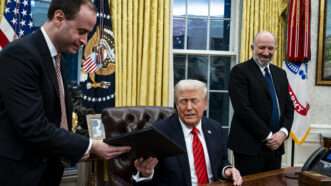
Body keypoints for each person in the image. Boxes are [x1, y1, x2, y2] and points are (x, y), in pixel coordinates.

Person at [0, 1, 130, 186]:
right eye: (82, 31)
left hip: (48, 171)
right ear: (59, 18)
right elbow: (32, 126)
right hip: (19, 174)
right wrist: (90, 145)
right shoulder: (21, 55)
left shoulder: (56, 58)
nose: (85, 41)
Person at [133, 79, 243, 186]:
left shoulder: (215, 128)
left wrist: (227, 170)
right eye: (183, 101)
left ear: (205, 104)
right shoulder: (159, 132)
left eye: (194, 101)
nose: (189, 108)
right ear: (176, 104)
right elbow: (152, 177)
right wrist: (146, 173)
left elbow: (222, 161)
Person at [228, 31, 294, 176]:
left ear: (275, 49)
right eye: (262, 47)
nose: (266, 52)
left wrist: (283, 133)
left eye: (270, 48)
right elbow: (243, 109)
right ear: (252, 47)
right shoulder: (239, 72)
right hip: (249, 147)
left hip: (276, 147)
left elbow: (289, 107)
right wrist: (269, 136)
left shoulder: (280, 73)